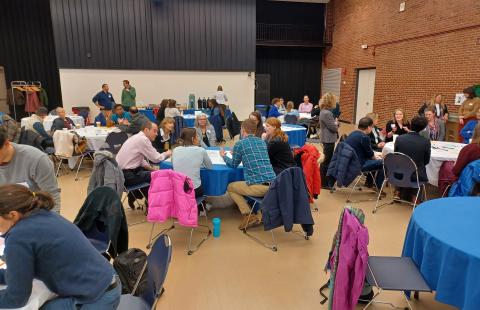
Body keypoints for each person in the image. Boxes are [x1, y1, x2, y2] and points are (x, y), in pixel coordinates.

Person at [0, 184, 120, 309]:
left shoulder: (18, 236)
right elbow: (21, 273)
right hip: (107, 281)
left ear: (13, 215)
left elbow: (16, 299)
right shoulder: (41, 214)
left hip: (96, 298)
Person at [221, 119, 276, 229]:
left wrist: (223, 156)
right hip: (274, 185)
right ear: (255, 130)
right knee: (246, 183)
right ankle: (255, 212)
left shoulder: (240, 144)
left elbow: (233, 165)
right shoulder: (262, 142)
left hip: (259, 187)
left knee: (230, 187)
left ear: (243, 130)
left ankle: (248, 214)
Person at [0, 128, 61, 212]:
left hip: (31, 214)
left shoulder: (36, 160)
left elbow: (52, 196)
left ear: (6, 143)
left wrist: (51, 223)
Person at [116, 121, 172, 208]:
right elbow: (156, 158)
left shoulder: (136, 137)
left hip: (121, 175)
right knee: (158, 176)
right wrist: (167, 153)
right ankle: (152, 205)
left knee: (151, 173)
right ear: (146, 130)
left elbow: (140, 161)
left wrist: (152, 169)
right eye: (154, 131)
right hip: (127, 176)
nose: (156, 134)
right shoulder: (143, 139)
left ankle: (135, 195)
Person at [394, 116, 430, 202]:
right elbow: (426, 161)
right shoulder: (425, 142)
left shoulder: (400, 138)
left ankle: (398, 191)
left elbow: (396, 155)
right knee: (419, 167)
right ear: (424, 128)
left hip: (398, 173)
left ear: (411, 124)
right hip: (416, 175)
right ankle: (414, 196)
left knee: (404, 165)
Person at [344, 117, 384, 190]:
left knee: (378, 160)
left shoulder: (353, 133)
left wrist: (374, 154)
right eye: (372, 127)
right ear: (368, 127)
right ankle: (378, 187)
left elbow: (363, 149)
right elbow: (371, 156)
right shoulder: (364, 137)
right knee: (384, 162)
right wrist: (380, 156)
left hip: (350, 161)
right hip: (359, 164)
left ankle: (369, 182)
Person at [172, 128, 213, 198]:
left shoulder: (175, 150)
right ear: (192, 139)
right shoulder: (201, 150)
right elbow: (209, 166)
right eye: (197, 136)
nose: (199, 139)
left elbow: (174, 163)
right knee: (204, 183)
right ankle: (199, 206)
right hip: (194, 190)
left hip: (177, 189)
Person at [319, 93, 339, 189]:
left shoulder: (324, 111)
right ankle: (324, 183)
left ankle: (323, 181)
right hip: (328, 139)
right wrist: (337, 124)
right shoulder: (327, 113)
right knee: (327, 161)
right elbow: (334, 128)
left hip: (326, 138)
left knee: (326, 160)